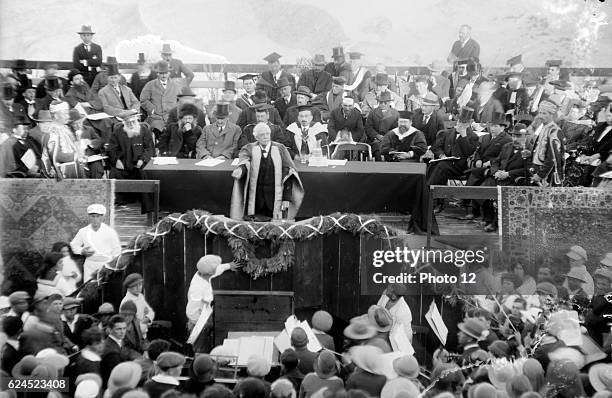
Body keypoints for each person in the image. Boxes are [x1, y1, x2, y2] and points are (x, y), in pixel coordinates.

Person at [231, 122, 304, 220]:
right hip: (256, 199)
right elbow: (245, 162)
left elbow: (289, 173)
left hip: (274, 198)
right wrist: (241, 170)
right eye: (262, 135)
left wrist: (286, 198)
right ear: (256, 137)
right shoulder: (249, 148)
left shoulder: (280, 148)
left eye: (267, 134)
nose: (265, 137)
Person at [428, 107, 479, 212]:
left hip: (462, 165)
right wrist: (442, 155)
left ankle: (429, 193)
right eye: (460, 121)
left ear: (469, 124)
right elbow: (436, 147)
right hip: (446, 161)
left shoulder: (473, 136)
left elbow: (468, 152)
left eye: (464, 123)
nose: (460, 125)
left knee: (441, 166)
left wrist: (464, 135)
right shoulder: (448, 133)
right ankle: (435, 198)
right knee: (434, 165)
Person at [186, 255, 240, 353]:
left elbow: (217, 269)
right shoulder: (197, 288)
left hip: (205, 319)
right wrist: (202, 324)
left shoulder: (202, 273)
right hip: (198, 324)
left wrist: (229, 265)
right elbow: (191, 312)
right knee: (200, 352)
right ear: (210, 272)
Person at [107, 109, 155, 203]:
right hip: (123, 163)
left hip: (140, 163)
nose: (131, 124)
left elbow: (149, 148)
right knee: (114, 172)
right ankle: (122, 201)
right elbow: (112, 148)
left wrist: (143, 159)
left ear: (137, 120)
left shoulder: (144, 130)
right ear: (124, 123)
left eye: (133, 122)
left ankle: (145, 202)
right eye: (128, 123)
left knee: (144, 172)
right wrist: (116, 160)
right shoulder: (118, 132)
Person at [70, 204, 122, 283]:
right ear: (89, 217)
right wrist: (82, 251)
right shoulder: (83, 231)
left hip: (106, 265)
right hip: (90, 265)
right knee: (89, 288)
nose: (95, 219)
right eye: (92, 216)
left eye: (98, 216)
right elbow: (74, 245)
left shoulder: (110, 232)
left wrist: (112, 266)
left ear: (102, 217)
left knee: (105, 288)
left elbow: (117, 250)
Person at [140, 61, 182, 136]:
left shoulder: (175, 85)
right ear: (157, 74)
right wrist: (152, 109)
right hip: (156, 116)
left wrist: (176, 111)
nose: (164, 75)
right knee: (156, 129)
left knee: (175, 130)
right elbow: (143, 100)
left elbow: (180, 100)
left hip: (171, 116)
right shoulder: (150, 85)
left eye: (166, 73)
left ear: (169, 73)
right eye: (161, 73)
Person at [530, 100, 565, 186]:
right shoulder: (544, 128)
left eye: (544, 113)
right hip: (538, 170)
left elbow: (553, 157)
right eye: (540, 113)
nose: (541, 116)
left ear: (551, 115)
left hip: (548, 175)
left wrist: (541, 175)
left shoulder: (554, 131)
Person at [364, 91, 399, 161]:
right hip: (374, 140)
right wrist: (377, 136)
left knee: (388, 149)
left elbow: (396, 129)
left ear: (389, 103)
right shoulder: (373, 112)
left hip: (390, 140)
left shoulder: (396, 114)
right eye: (380, 102)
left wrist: (386, 138)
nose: (382, 104)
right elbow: (368, 128)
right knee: (377, 148)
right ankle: (379, 168)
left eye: (385, 103)